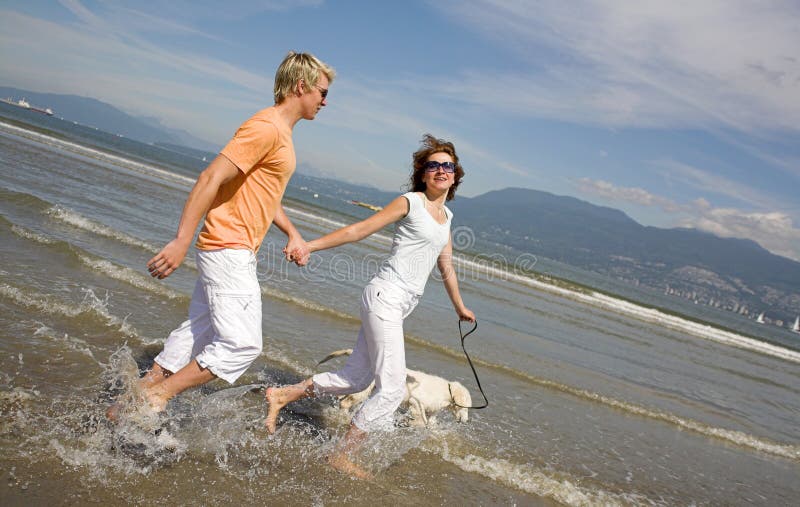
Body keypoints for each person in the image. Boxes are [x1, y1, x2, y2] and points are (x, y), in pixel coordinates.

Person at [107, 51, 335, 419]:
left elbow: (265, 194)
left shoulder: (281, 133)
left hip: (232, 248)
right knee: (242, 344)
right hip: (229, 247)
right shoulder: (267, 127)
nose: (326, 101)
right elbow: (210, 177)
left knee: (198, 331)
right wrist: (181, 239)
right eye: (323, 92)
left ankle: (128, 404)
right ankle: (159, 396)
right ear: (301, 86)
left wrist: (292, 233)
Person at [265, 134, 476, 478]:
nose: (441, 170)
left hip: (397, 304)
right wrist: (309, 246)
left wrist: (459, 307)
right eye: (433, 165)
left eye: (447, 166)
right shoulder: (410, 202)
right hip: (385, 297)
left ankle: (282, 395)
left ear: (455, 175)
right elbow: (360, 230)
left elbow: (446, 266)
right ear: (423, 173)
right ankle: (342, 455)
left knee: (354, 377)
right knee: (392, 390)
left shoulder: (446, 216)